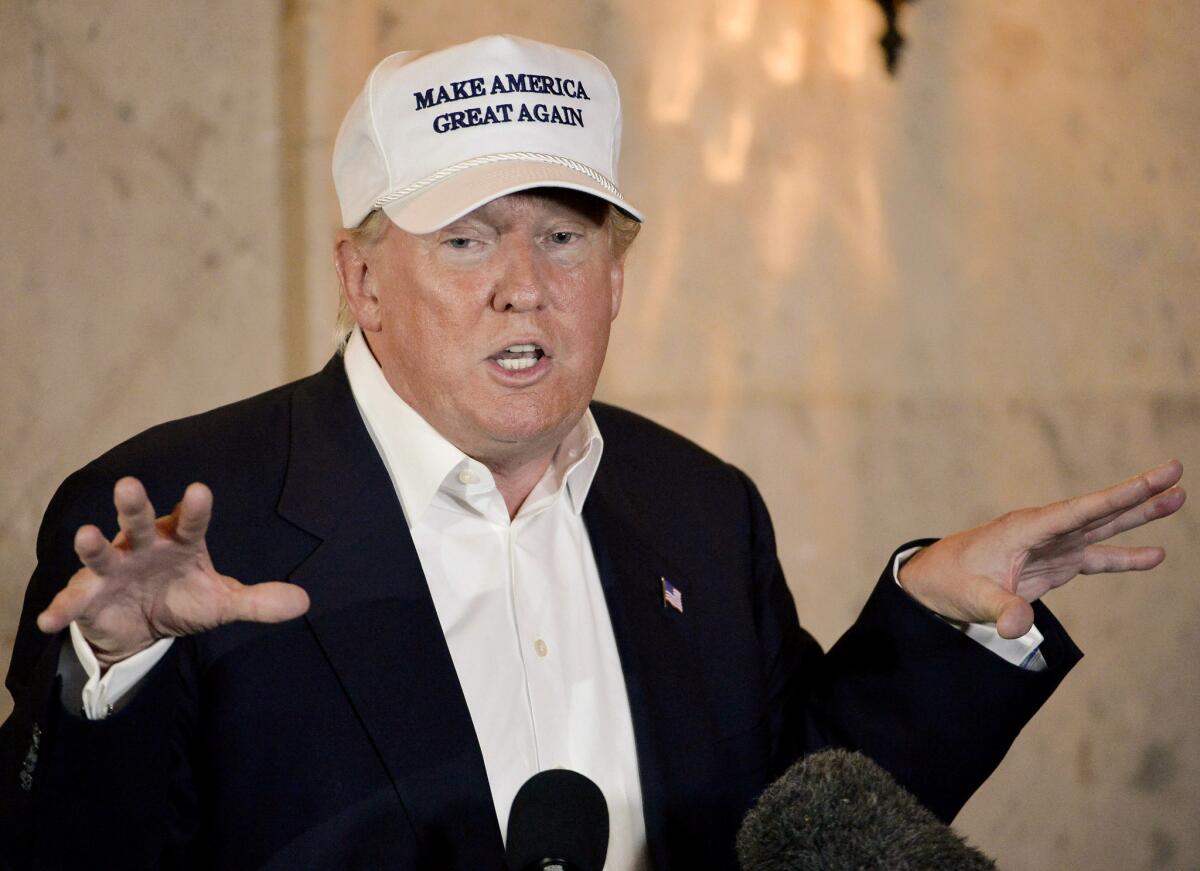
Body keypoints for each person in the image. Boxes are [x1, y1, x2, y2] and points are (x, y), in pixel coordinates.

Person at [0, 34, 1185, 871]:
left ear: (615, 280)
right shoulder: (177, 524)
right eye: (465, 241)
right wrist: (115, 670)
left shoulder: (699, 509)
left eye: (564, 237)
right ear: (361, 279)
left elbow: (798, 823)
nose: (524, 288)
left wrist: (946, 625)